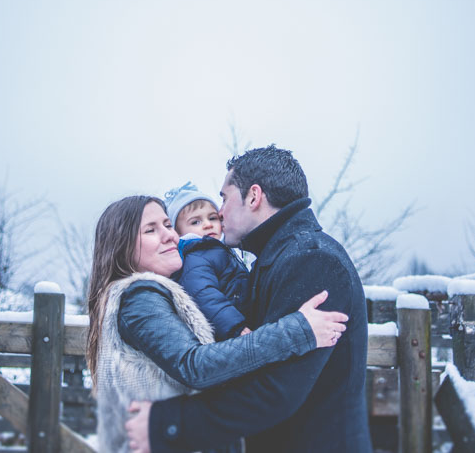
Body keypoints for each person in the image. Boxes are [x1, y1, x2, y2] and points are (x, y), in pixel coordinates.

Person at [126, 145, 372, 452]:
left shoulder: (312, 260)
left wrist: (169, 424)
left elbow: (276, 390)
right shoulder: (276, 258)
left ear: (253, 197)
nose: (219, 211)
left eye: (225, 197)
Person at [87, 194, 349, 453]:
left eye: (168, 225)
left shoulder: (162, 291)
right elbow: (195, 365)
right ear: (121, 245)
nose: (169, 235)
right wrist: (297, 331)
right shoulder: (139, 297)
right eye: (151, 230)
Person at [164, 181, 250, 339]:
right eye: (195, 222)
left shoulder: (218, 249)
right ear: (177, 232)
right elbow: (204, 295)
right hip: (230, 331)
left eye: (212, 218)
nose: (207, 225)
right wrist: (236, 327)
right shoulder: (195, 256)